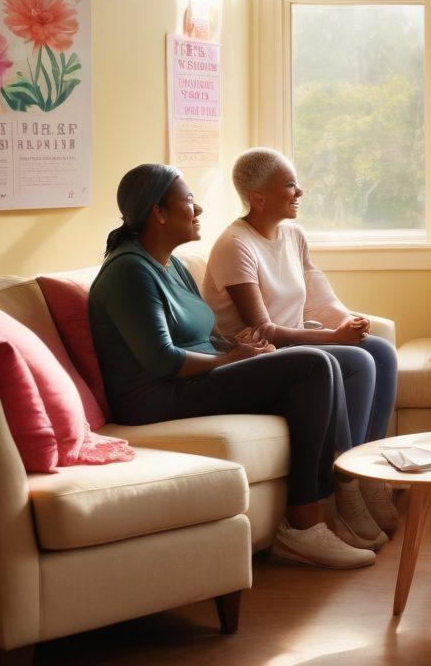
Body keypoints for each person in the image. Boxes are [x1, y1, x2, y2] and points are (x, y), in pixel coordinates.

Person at [89, 163, 375, 569]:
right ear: (159, 213)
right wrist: (229, 360)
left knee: (321, 366)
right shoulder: (129, 271)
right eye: (189, 200)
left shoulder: (170, 264)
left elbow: (204, 333)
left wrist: (243, 348)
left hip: (195, 378)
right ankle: (302, 527)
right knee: (312, 365)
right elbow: (162, 359)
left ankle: (327, 511)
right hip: (157, 397)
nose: (199, 208)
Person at [202, 147, 399, 538]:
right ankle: (344, 485)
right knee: (357, 361)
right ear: (258, 198)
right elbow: (264, 330)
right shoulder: (235, 245)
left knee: (380, 350)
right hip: (265, 355)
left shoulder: (293, 234)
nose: (300, 192)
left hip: (299, 343)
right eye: (290, 185)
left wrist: (348, 323)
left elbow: (318, 296)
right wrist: (335, 338)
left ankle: (368, 472)